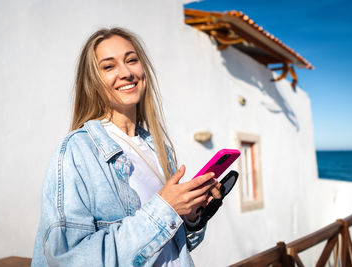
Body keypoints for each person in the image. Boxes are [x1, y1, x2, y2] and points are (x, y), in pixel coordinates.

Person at [31, 27, 221, 267]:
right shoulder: (77, 150)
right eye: (109, 66)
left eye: (132, 60)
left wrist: (190, 216)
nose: (126, 73)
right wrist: (164, 209)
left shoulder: (158, 148)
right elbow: (70, 259)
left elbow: (169, 247)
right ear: (93, 81)